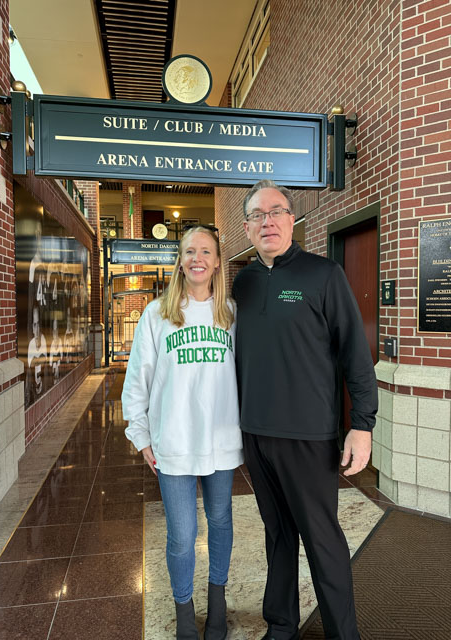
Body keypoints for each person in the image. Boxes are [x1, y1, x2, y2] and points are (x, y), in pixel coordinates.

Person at [232, 180, 378, 640]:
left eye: (277, 211)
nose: (268, 221)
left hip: (309, 437)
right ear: (247, 227)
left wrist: (362, 425)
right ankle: (281, 626)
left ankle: (342, 633)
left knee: (322, 540)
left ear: (293, 219)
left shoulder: (324, 275)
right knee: (277, 535)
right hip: (256, 434)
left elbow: (356, 353)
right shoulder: (242, 283)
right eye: (258, 214)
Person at [122, 226, 243, 640]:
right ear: (180, 259)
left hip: (222, 440)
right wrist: (141, 436)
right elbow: (138, 379)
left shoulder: (230, 312)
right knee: (182, 536)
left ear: (216, 261)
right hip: (173, 441)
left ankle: (218, 605)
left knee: (222, 521)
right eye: (190, 251)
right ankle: (184, 613)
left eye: (205, 252)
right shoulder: (157, 314)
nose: (197, 258)